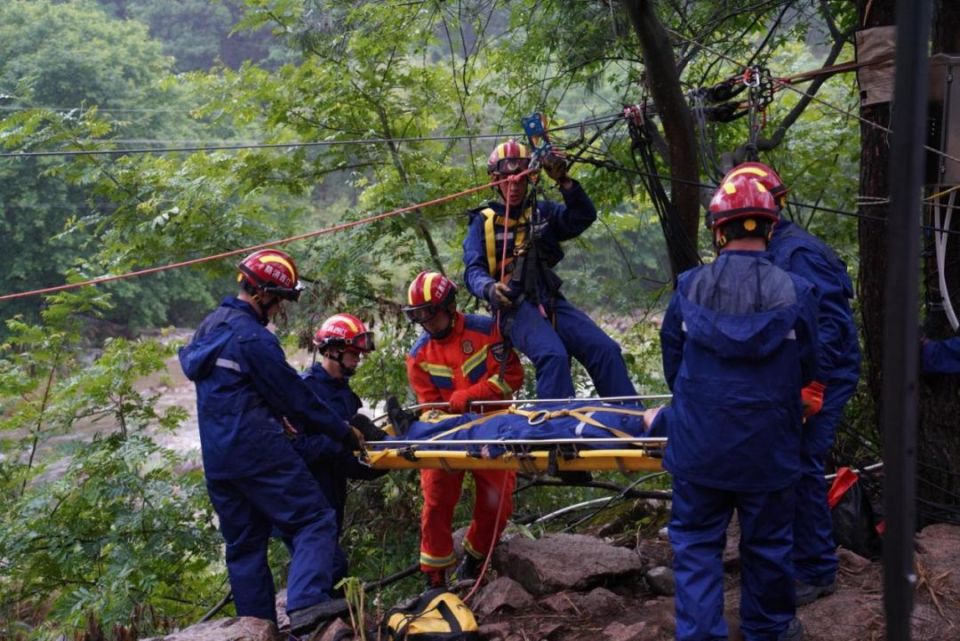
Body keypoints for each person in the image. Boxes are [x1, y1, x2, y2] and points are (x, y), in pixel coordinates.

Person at [645, 176, 818, 641]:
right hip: (769, 447)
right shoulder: (797, 292)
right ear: (769, 228)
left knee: (698, 544)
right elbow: (809, 365)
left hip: (701, 446)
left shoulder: (689, 288)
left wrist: (699, 407)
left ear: (718, 231)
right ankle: (767, 628)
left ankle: (701, 634)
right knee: (768, 544)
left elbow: (673, 363)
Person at [178, 249, 363, 634]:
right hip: (259, 451)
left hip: (218, 459)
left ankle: (256, 628)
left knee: (244, 546)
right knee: (314, 519)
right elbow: (295, 397)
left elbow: (235, 391)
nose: (278, 309)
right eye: (278, 300)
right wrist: (342, 431)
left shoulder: (209, 328)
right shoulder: (253, 339)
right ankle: (308, 605)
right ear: (262, 294)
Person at [723, 161, 861, 605]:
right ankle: (791, 559)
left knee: (800, 463)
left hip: (824, 375)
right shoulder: (771, 248)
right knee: (787, 462)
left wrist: (814, 386)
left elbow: (831, 330)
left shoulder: (796, 252)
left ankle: (816, 568)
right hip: (795, 374)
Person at [462, 139, 637, 400]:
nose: (514, 186)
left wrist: (565, 181)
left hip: (549, 300)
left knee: (605, 349)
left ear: (530, 179)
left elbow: (581, 217)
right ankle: (556, 432)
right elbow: (472, 270)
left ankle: (632, 419)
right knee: (554, 355)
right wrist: (488, 288)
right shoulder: (482, 223)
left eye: (520, 179)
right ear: (494, 180)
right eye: (506, 179)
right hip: (513, 307)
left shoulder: (542, 212)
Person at [402, 270, 524, 589]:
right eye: (418, 315)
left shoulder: (487, 331)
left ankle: (474, 558)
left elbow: (511, 379)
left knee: (497, 502)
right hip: (448, 435)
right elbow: (430, 407)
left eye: (430, 312)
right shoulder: (419, 356)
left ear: (449, 305)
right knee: (436, 500)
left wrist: (472, 396)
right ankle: (435, 578)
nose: (426, 322)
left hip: (494, 427)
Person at [296, 313, 387, 589]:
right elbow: (296, 446)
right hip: (308, 494)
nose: (358, 358)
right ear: (333, 351)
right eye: (353, 353)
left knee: (331, 564)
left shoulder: (344, 394)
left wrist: (377, 466)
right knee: (332, 565)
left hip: (332, 493)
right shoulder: (304, 390)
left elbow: (345, 458)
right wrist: (337, 445)